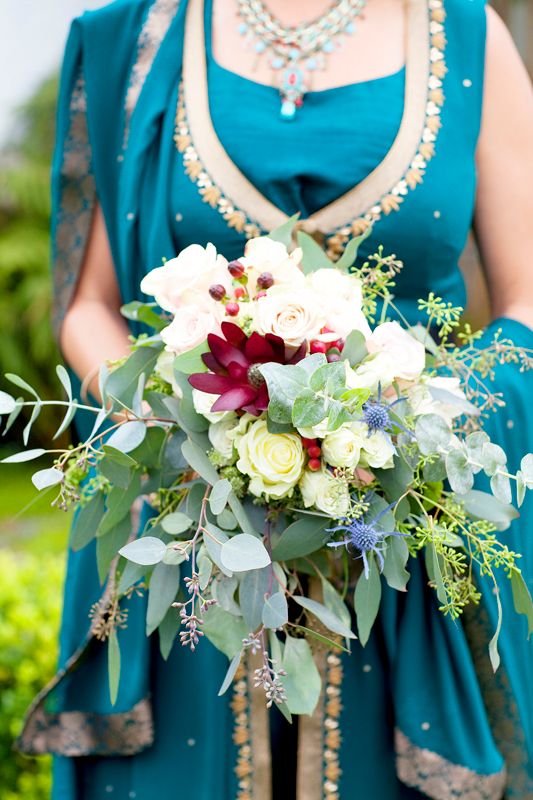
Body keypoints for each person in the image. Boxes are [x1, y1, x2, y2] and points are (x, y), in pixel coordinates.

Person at [16, 0, 533, 797]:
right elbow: (88, 304)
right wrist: (171, 421)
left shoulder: (467, 37)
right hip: (185, 532)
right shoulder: (127, 42)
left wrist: (422, 420)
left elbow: (527, 298)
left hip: (403, 538)